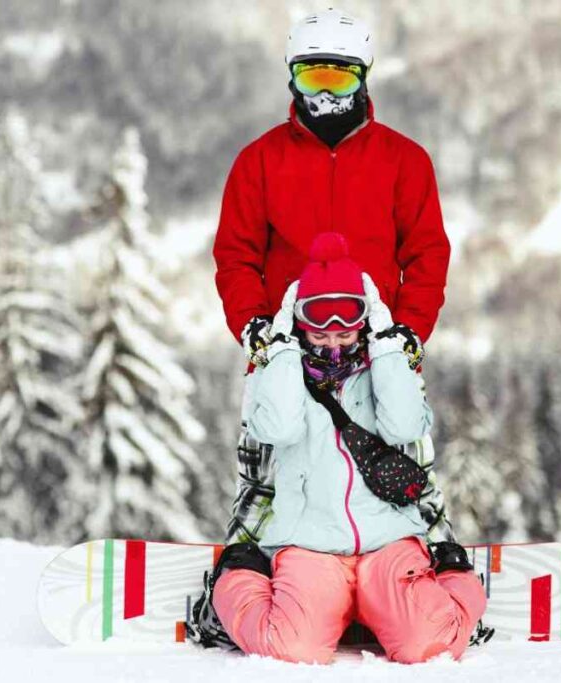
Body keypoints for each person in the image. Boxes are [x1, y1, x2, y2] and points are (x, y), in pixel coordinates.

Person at [212, 6, 455, 563]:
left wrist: (409, 332)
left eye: (338, 77)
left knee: (400, 463)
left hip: (378, 351)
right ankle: (249, 564)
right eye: (311, 76)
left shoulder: (404, 161)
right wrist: (254, 327)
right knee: (275, 471)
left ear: (364, 77)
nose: (324, 93)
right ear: (291, 79)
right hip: (287, 350)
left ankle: (425, 557)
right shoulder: (259, 162)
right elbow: (235, 255)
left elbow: (426, 254)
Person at [201, 233, 487, 664]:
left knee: (428, 646)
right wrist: (279, 350)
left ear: (365, 317)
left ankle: (452, 579)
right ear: (300, 320)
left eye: (347, 319)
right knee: (292, 649)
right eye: (319, 321)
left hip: (388, 543)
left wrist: (389, 343)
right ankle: (236, 580)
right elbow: (276, 428)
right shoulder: (279, 370)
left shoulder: (387, 366)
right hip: (309, 545)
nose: (333, 337)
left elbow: (405, 426)